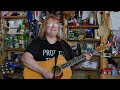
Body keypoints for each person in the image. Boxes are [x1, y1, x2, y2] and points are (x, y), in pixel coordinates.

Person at [21, 15, 92, 79]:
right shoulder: (38, 42)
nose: (53, 26)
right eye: (50, 24)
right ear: (45, 27)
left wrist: (83, 59)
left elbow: (72, 65)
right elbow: (25, 58)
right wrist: (44, 72)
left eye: (56, 24)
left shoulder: (63, 44)